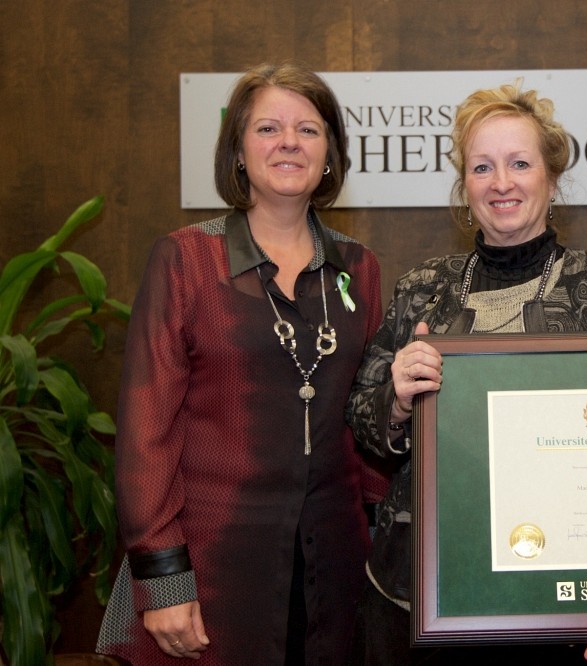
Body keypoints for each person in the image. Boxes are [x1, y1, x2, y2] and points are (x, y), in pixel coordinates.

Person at [347, 82, 587, 665]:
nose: (501, 182)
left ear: (552, 179)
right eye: (482, 166)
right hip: (419, 588)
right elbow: (362, 421)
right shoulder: (422, 289)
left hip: (562, 592)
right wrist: (398, 399)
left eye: (519, 163)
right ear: (465, 186)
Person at [96, 62, 384, 665]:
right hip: (212, 567)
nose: (288, 143)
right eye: (268, 128)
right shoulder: (184, 260)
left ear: (330, 152)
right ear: (238, 152)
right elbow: (147, 432)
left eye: (308, 129)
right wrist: (165, 579)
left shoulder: (361, 269)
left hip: (335, 569)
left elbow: (370, 419)